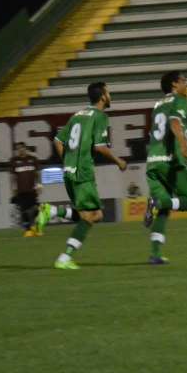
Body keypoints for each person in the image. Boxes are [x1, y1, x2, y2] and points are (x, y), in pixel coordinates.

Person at [35, 82, 127, 270]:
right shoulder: (100, 116)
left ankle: (52, 213)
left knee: (90, 214)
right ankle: (64, 257)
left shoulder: (77, 115)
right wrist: (119, 161)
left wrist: (68, 161)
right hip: (83, 172)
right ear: (102, 96)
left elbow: (58, 140)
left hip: (69, 172)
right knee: (94, 215)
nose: (110, 95)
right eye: (108, 92)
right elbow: (99, 147)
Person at [141, 71, 187, 264]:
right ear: (175, 85)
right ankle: (157, 203)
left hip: (152, 162)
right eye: (184, 81)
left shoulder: (158, 105)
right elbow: (175, 122)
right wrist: (184, 144)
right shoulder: (180, 100)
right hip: (170, 161)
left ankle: (155, 254)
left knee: (165, 209)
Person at [11, 142, 42, 236]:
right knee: (23, 210)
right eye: (18, 148)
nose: (20, 150)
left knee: (36, 209)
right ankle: (28, 230)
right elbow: (13, 177)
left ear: (25, 148)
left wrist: (39, 185)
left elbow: (38, 174)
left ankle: (35, 227)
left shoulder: (33, 159)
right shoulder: (14, 161)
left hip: (32, 189)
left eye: (21, 148)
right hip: (21, 190)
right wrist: (13, 189)